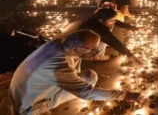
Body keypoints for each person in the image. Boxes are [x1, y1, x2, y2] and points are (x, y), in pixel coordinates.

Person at [9, 30, 143, 115]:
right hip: (27, 107)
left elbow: (73, 66)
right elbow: (87, 93)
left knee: (89, 76)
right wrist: (127, 95)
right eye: (91, 49)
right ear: (75, 48)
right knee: (88, 84)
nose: (93, 52)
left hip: (24, 91)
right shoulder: (57, 65)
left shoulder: (59, 43)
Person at [78, 8, 143, 64]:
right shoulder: (98, 30)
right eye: (112, 20)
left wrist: (137, 29)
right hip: (83, 50)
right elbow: (115, 43)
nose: (114, 22)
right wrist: (134, 59)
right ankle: (99, 57)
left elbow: (120, 23)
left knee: (107, 37)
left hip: (91, 40)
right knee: (102, 44)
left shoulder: (98, 19)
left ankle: (102, 47)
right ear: (101, 21)